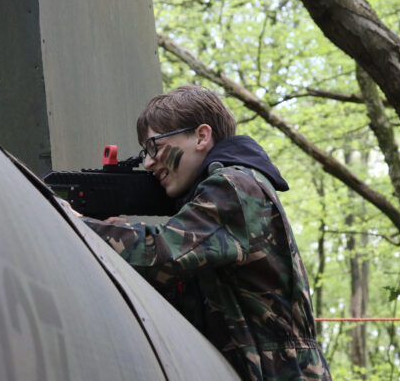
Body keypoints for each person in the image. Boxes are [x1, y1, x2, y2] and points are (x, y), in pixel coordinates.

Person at [80, 85, 331, 380]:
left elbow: (162, 255)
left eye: (155, 147)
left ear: (201, 136)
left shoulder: (234, 187)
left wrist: (79, 224)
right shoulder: (220, 195)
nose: (148, 162)